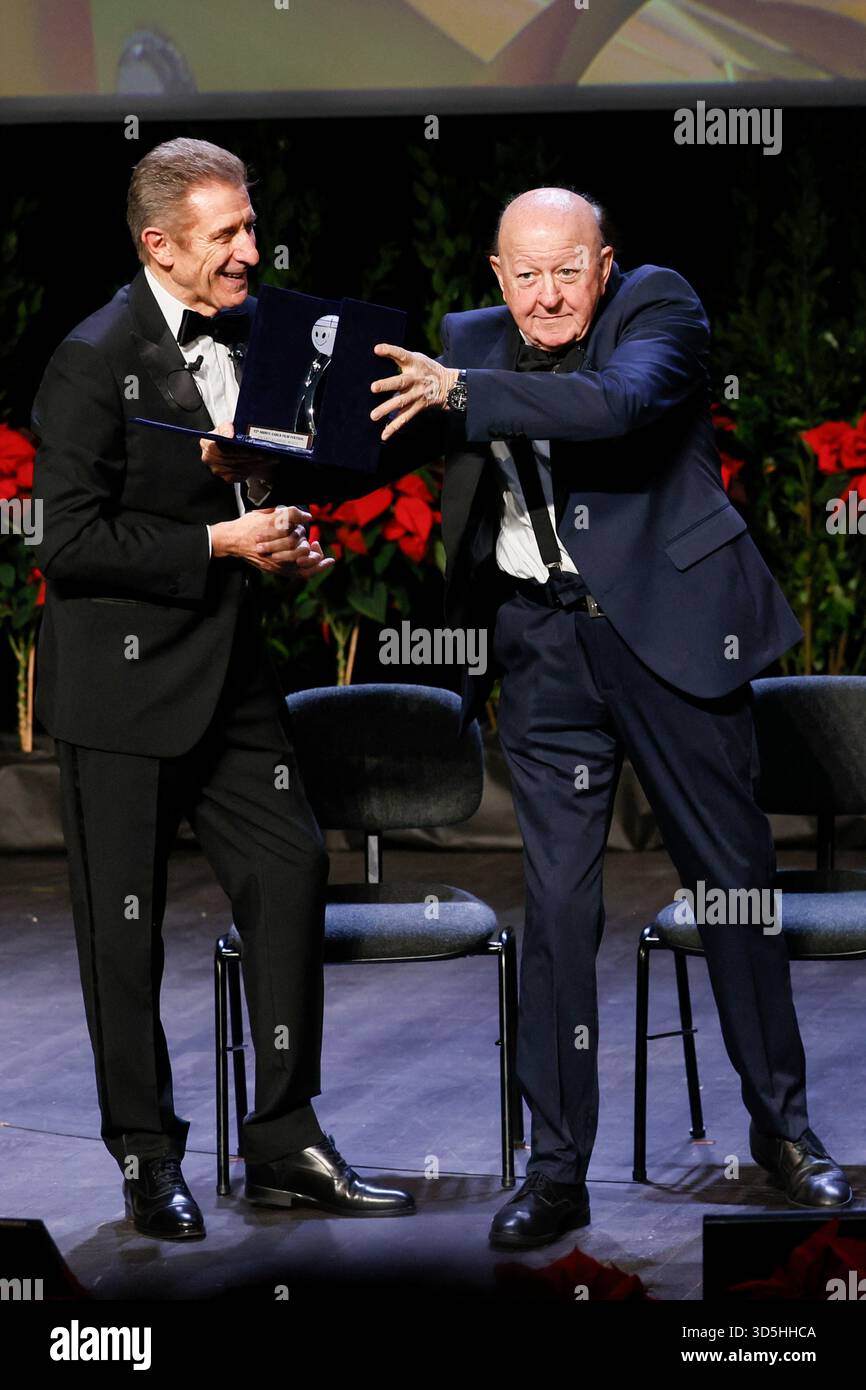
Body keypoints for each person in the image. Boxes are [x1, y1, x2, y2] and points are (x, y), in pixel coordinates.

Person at [361, 186, 853, 1250]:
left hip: (670, 639)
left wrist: (464, 391)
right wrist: (271, 457)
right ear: (495, 276)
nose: (545, 296)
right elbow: (392, 442)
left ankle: (785, 1137)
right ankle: (555, 1172)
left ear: (604, 263)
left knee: (732, 891)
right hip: (543, 652)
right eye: (523, 274)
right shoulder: (467, 343)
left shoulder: (658, 311)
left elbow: (613, 408)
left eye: (566, 271)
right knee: (556, 912)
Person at [31, 138, 414, 1240]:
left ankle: (285, 1134)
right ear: (158, 245)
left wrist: (282, 536)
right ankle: (148, 1156)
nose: (251, 251)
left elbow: (267, 466)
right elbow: (70, 542)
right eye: (226, 236)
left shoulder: (263, 332)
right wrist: (217, 543)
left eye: (251, 226)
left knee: (290, 869)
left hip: (232, 675)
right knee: (126, 930)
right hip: (120, 690)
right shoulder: (93, 356)